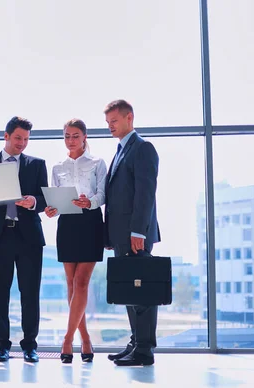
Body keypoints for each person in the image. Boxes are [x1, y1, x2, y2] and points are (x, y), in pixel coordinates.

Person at [0, 116, 48, 363]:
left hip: (29, 238)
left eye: (26, 139)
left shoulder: (37, 165)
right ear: (6, 136)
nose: (22, 143)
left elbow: (44, 200)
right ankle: (1, 346)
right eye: (18, 138)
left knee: (30, 293)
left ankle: (30, 346)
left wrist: (33, 202)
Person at [103, 99, 161, 366]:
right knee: (129, 291)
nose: (110, 126)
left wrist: (138, 231)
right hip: (122, 235)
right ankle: (136, 343)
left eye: (114, 121)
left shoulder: (142, 148)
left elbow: (145, 194)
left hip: (135, 235)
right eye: (108, 122)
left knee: (142, 294)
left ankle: (144, 350)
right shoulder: (121, 150)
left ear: (129, 118)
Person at [44, 118, 106, 363]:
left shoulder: (98, 163)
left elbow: (102, 194)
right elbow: (56, 198)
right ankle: (86, 338)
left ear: (85, 137)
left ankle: (67, 339)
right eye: (67, 136)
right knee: (70, 284)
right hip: (67, 224)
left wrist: (89, 202)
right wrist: (52, 210)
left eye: (75, 135)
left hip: (90, 222)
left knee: (81, 282)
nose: (71, 140)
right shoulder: (57, 167)